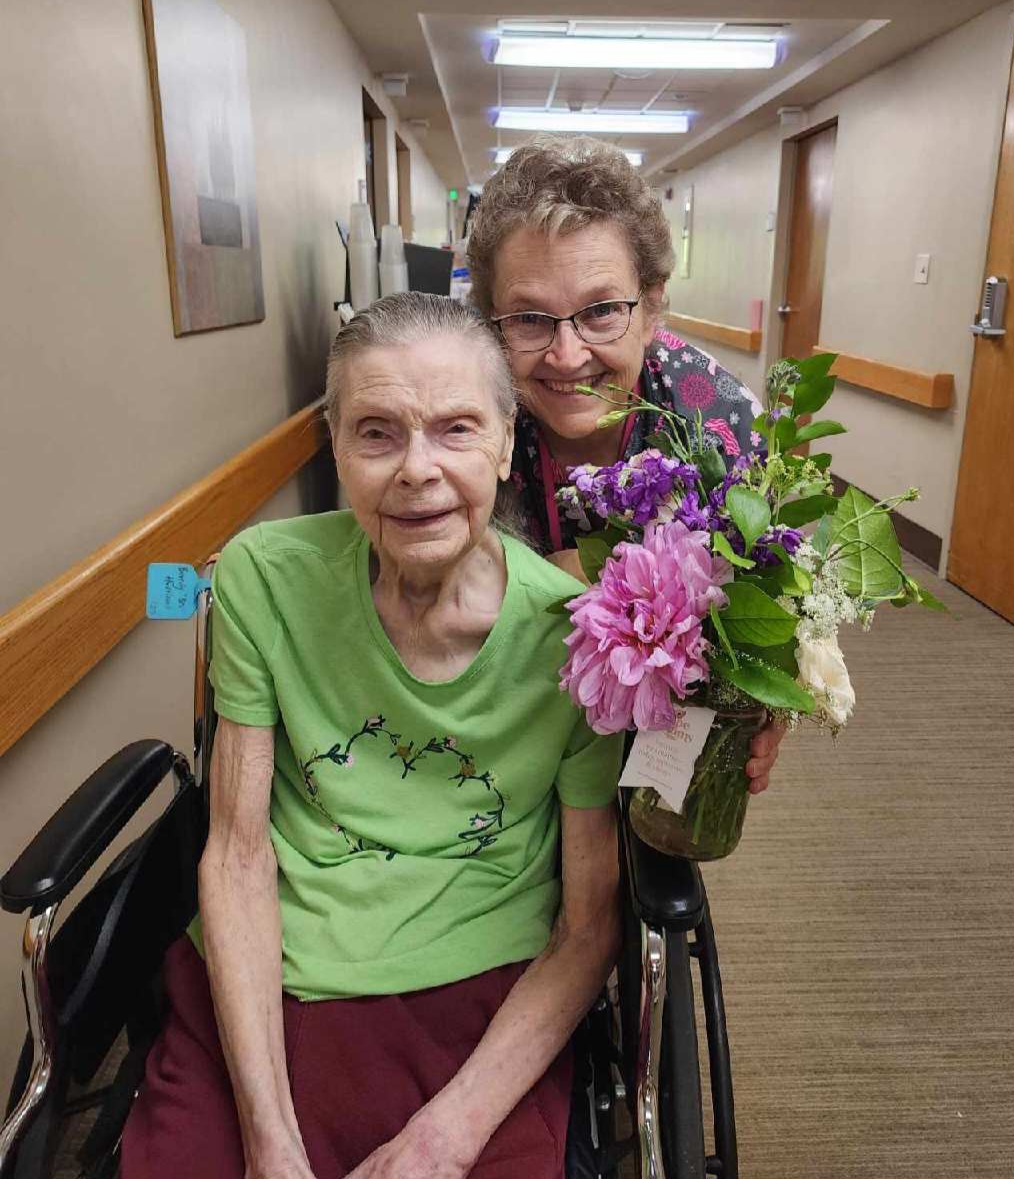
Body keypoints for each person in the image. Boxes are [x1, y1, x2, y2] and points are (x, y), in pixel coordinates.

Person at [121, 293, 623, 1179]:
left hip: (478, 996)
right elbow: (239, 854)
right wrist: (269, 1136)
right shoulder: (263, 579)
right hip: (264, 977)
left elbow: (586, 930)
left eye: (457, 429)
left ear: (507, 442)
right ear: (337, 447)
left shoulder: (579, 638)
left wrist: (444, 1137)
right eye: (378, 432)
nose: (416, 470)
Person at [467, 136, 783, 793]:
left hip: (658, 717)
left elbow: (767, 610)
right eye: (529, 318)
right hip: (494, 712)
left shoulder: (719, 426)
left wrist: (766, 697)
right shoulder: (466, 409)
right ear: (491, 323)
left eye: (602, 310)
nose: (566, 354)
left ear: (653, 305)